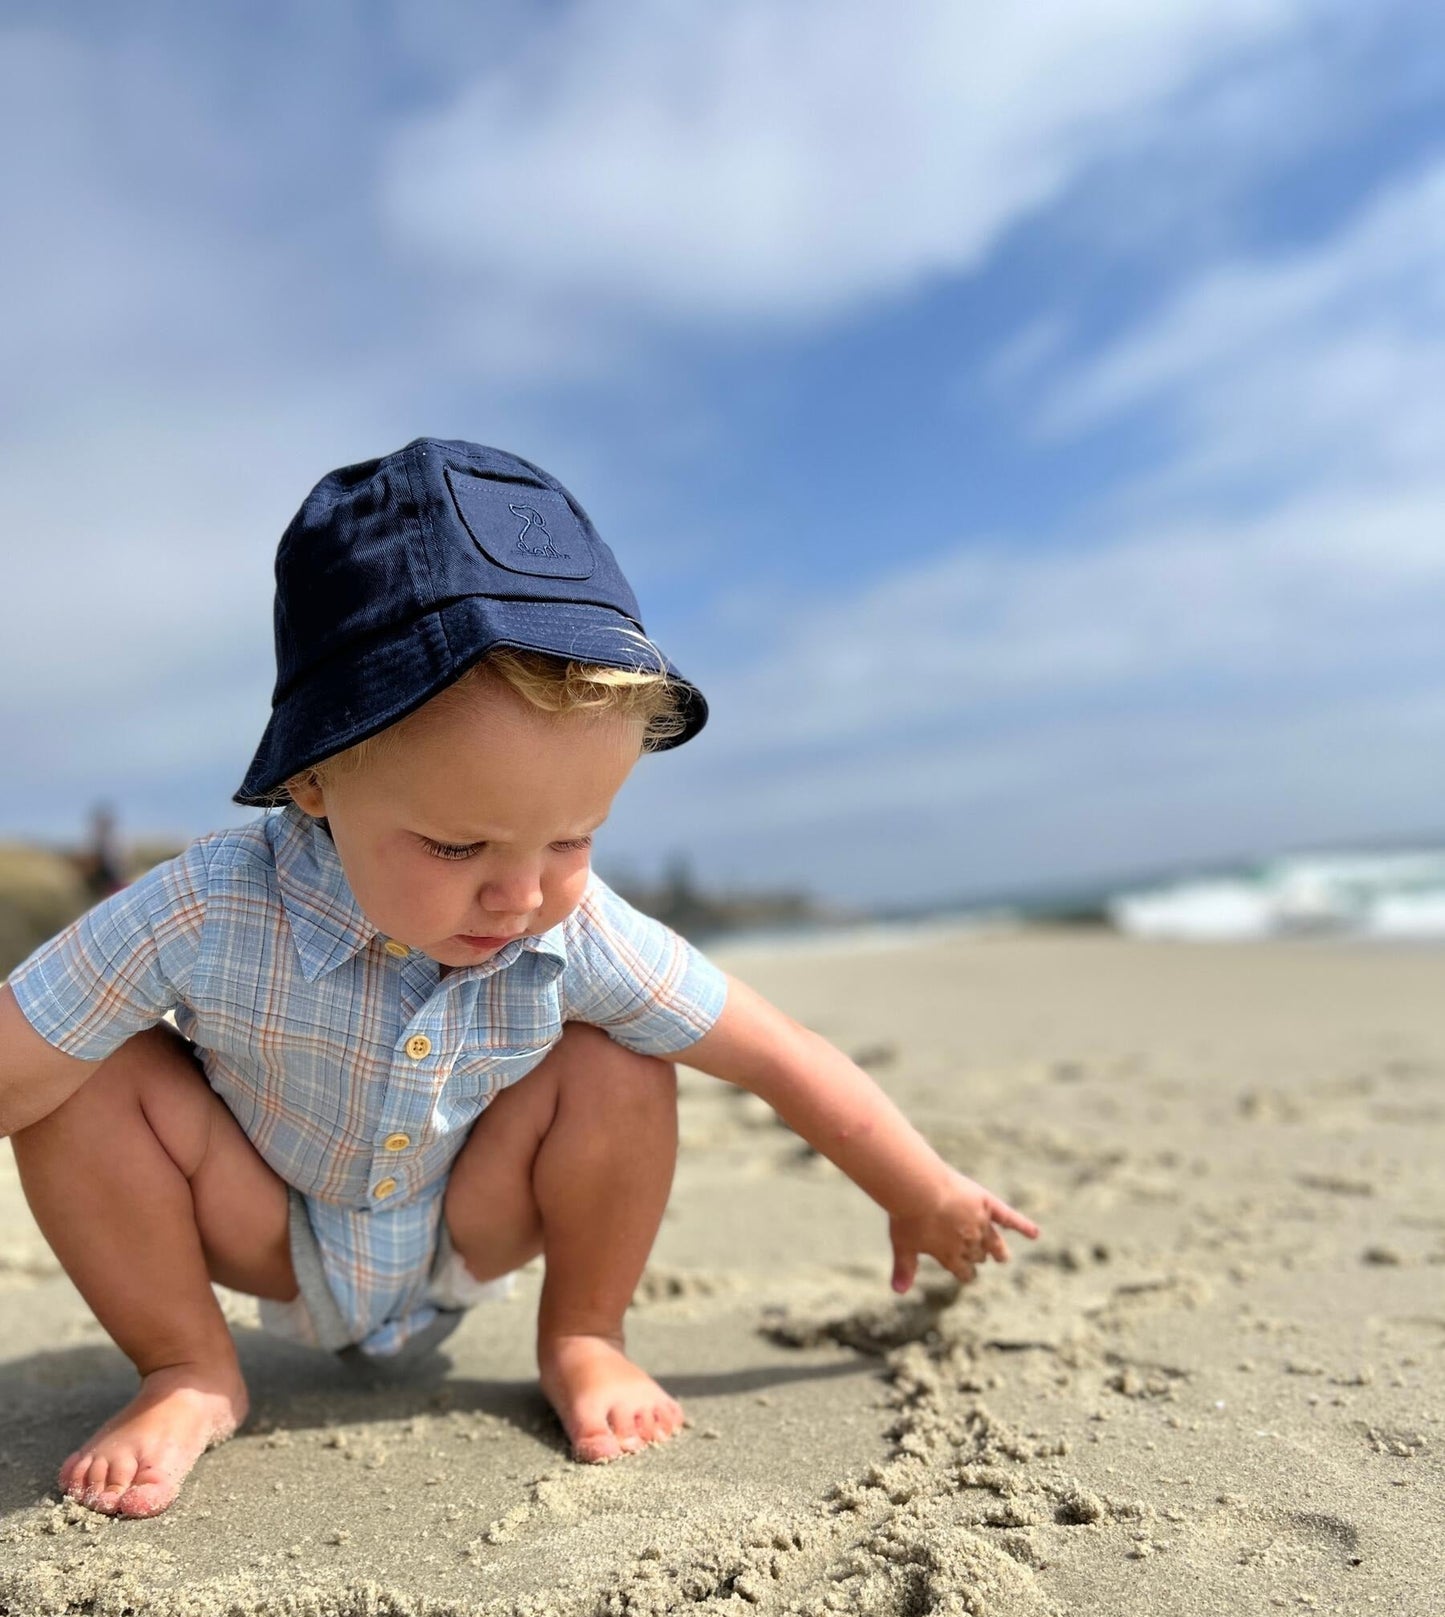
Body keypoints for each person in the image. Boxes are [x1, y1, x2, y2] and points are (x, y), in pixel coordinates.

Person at [0, 437, 1040, 1519]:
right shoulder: (209, 903)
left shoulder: (575, 926)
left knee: (621, 1056)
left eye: (572, 838)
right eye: (458, 848)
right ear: (313, 779)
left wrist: (919, 1189)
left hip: (469, 1221)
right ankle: (187, 1366)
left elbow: (777, 1057)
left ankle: (585, 1332)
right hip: (262, 1221)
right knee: (83, 1071)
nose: (521, 896)